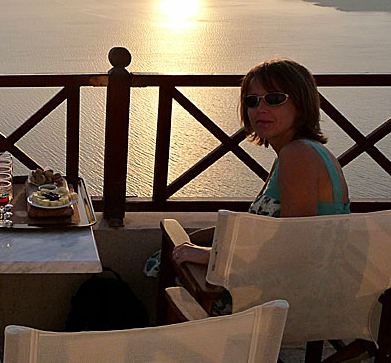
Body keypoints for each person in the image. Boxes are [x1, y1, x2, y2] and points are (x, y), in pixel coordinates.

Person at [145, 58, 350, 275]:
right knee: (166, 254)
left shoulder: (298, 156)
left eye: (274, 99)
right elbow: (263, 230)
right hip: (285, 287)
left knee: (161, 269)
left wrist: (211, 256)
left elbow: (293, 246)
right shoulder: (299, 153)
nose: (261, 109)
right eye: (252, 101)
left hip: (280, 299)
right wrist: (196, 239)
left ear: (301, 105)